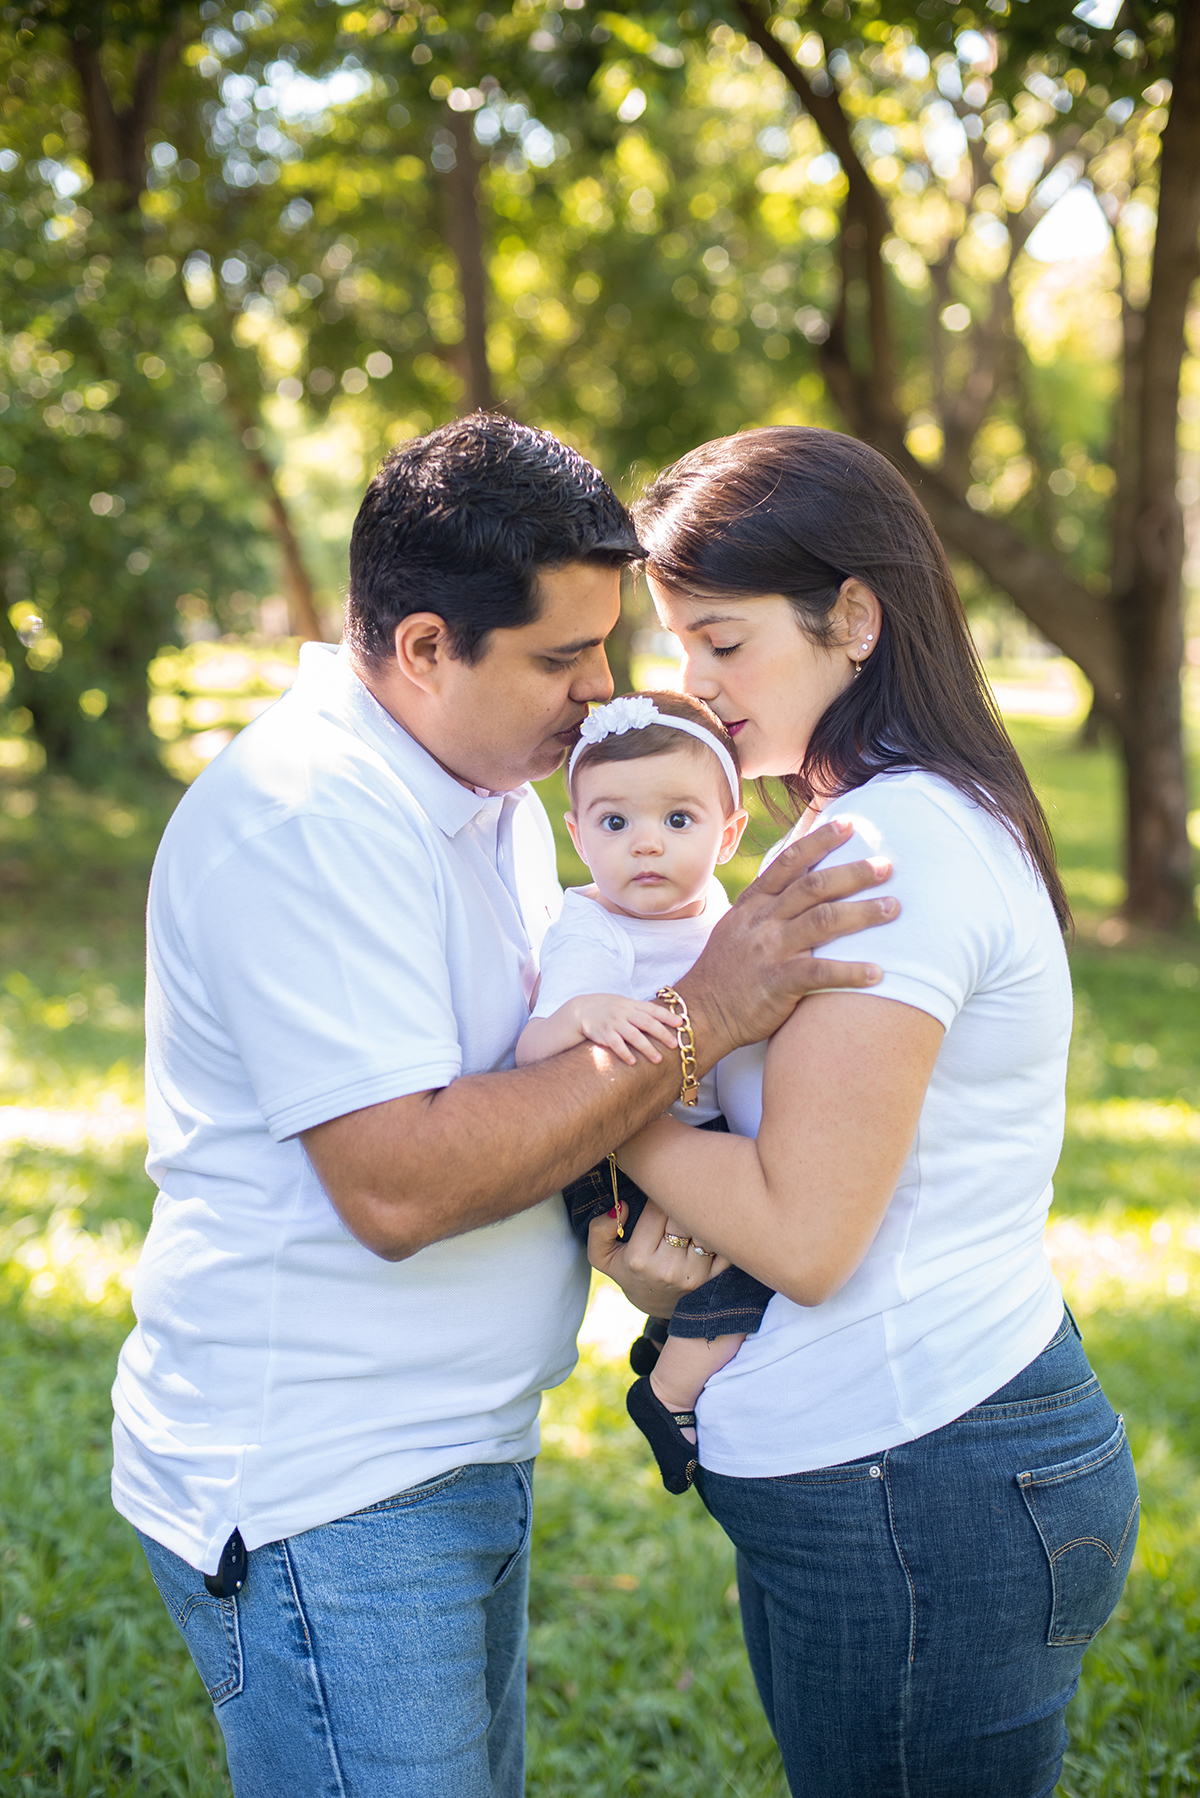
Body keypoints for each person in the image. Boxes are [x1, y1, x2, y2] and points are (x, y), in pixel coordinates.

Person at [111, 412, 898, 1798]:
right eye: (560, 656)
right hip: (329, 1484)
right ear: (424, 647)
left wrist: (626, 1235)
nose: (601, 694)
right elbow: (400, 1182)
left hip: (458, 1443)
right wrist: (705, 1012)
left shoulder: (482, 795)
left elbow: (533, 1088)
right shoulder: (308, 814)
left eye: (603, 649)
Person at [591, 425, 1140, 1798]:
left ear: (853, 615)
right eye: (680, 645)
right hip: (907, 1475)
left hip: (920, 1488)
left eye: (722, 642)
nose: (694, 685)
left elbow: (807, 1230)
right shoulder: (898, 813)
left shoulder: (888, 845)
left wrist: (601, 1104)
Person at [516, 689, 776, 1494]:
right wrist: (583, 1014)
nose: (646, 848)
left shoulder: (718, 915)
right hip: (614, 1162)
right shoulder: (596, 928)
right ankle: (669, 1392)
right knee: (762, 1264)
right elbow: (533, 1048)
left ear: (729, 833)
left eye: (678, 820)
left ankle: (673, 1340)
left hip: (693, 1137)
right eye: (615, 823)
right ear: (577, 834)